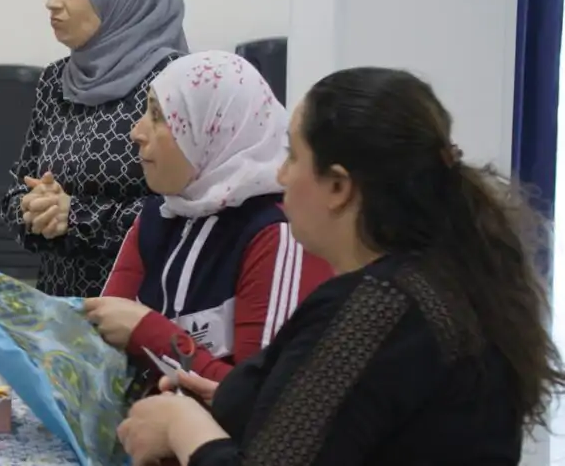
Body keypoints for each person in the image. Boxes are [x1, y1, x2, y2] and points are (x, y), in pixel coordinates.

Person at [116, 67, 565, 465]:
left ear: (338, 186)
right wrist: (240, 402)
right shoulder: (435, 283)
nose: (280, 175)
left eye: (293, 156)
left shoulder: (377, 308)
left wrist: (182, 427)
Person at [83, 51, 331, 383]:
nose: (136, 132)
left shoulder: (277, 234)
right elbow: (98, 342)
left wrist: (149, 332)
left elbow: (262, 399)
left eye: (158, 116)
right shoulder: (160, 215)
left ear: (213, 129)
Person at [1, 0, 189, 297]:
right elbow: (17, 186)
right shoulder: (55, 81)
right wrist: (31, 206)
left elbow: (182, 209)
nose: (52, 2)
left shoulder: (173, 82)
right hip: (60, 304)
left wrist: (75, 215)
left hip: (140, 305)